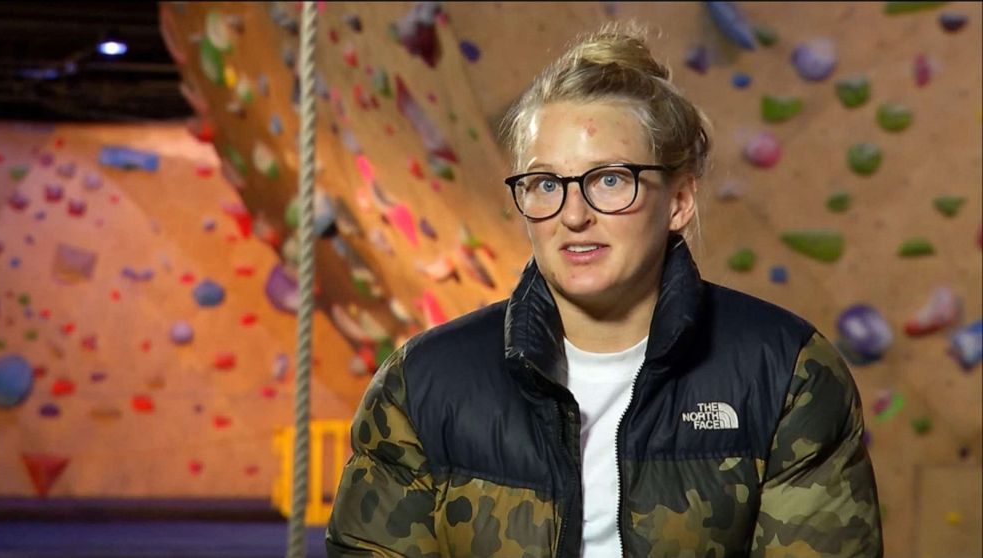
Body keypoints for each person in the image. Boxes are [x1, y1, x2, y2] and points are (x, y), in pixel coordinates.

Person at [326, 20, 883, 558]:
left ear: (681, 201)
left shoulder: (787, 374)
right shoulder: (423, 385)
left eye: (610, 179)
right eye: (546, 183)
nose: (573, 214)